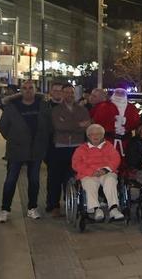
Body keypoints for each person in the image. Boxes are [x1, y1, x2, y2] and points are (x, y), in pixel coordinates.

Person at [0, 80, 53, 223]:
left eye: (30, 88)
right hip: (16, 150)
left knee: (34, 181)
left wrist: (43, 141)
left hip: (36, 150)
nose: (28, 90)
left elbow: (49, 125)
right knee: (11, 180)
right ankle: (5, 209)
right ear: (21, 91)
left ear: (35, 90)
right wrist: (13, 139)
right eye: (25, 88)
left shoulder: (43, 106)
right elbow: (3, 126)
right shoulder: (12, 107)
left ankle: (32, 208)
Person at [46, 84, 91, 217]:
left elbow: (87, 125)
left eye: (71, 92)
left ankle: (70, 204)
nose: (69, 95)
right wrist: (78, 125)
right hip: (59, 147)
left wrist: (68, 124)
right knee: (55, 178)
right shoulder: (56, 110)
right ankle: (53, 205)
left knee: (72, 177)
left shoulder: (82, 109)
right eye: (66, 92)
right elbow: (58, 126)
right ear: (62, 94)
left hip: (77, 147)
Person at [71, 124, 124, 222]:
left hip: (106, 172)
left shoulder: (108, 146)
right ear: (88, 136)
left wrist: (105, 169)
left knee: (110, 180)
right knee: (89, 183)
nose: (95, 136)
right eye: (92, 134)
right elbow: (76, 164)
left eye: (98, 134)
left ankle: (113, 209)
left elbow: (116, 159)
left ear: (103, 135)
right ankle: (96, 209)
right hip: (89, 174)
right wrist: (91, 172)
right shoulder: (81, 149)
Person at [90, 88, 141, 156]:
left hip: (125, 142)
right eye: (118, 94)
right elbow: (97, 121)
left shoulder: (131, 108)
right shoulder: (104, 106)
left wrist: (126, 124)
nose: (119, 96)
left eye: (121, 94)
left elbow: (136, 122)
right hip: (108, 141)